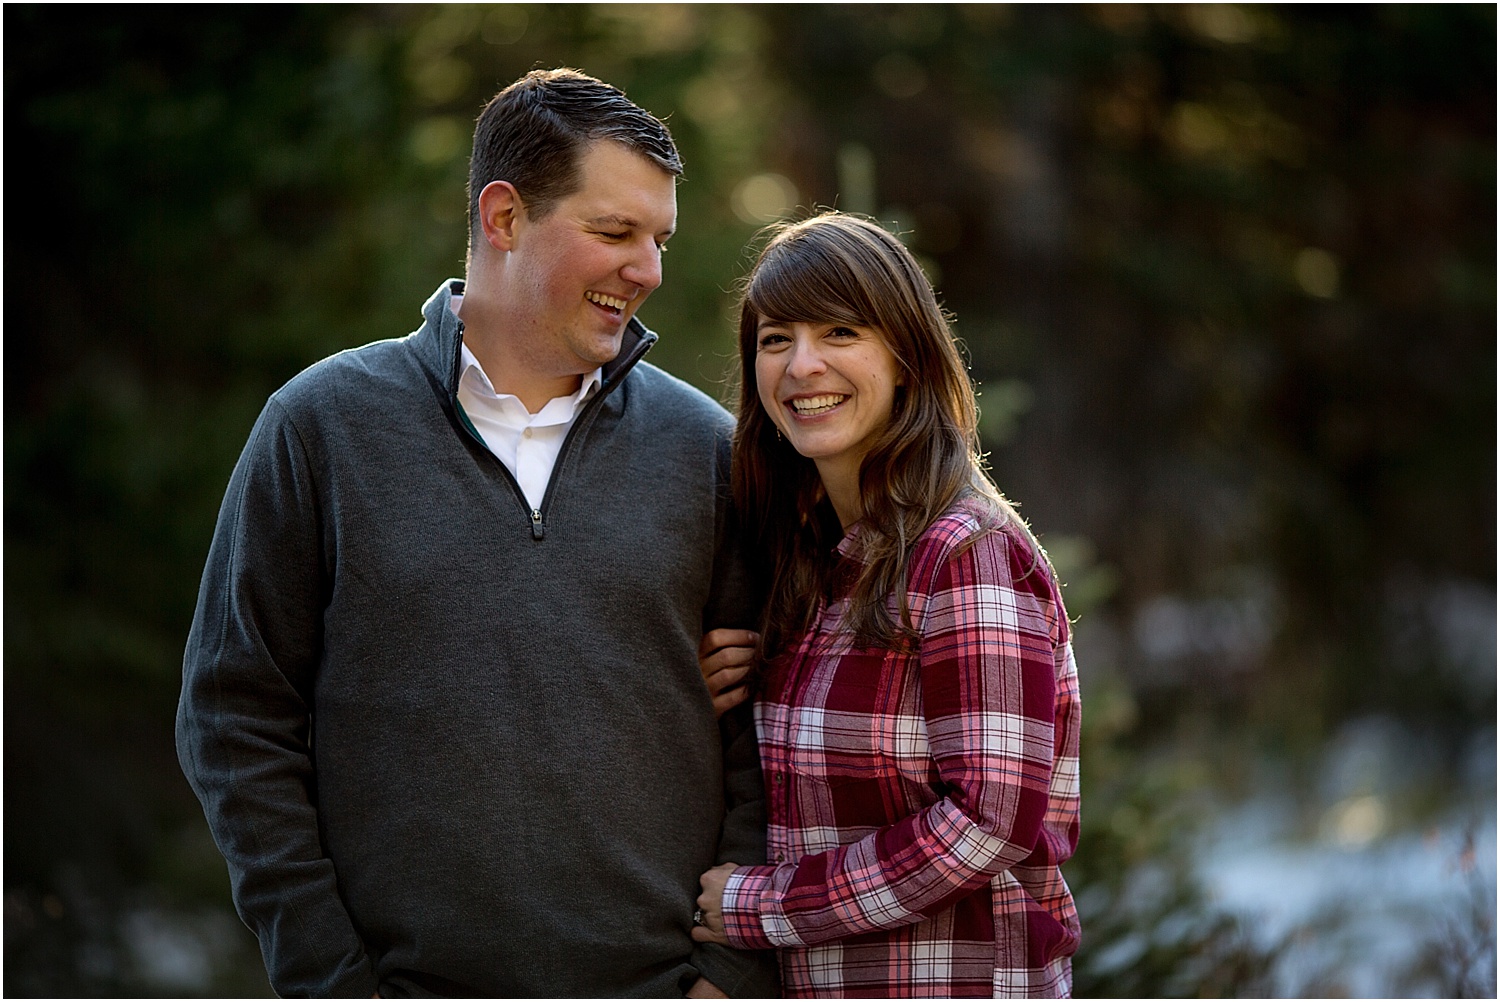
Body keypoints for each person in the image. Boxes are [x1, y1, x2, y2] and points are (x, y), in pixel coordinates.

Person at [176, 68, 775, 998]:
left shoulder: (705, 450)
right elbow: (233, 719)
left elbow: (770, 738)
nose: (649, 270)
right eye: (615, 233)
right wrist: (330, 980)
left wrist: (730, 975)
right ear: (503, 218)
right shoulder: (322, 425)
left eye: (658, 239)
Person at [689, 213, 1082, 997]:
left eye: (839, 331)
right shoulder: (812, 564)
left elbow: (988, 825)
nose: (803, 365)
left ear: (905, 358)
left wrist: (765, 905)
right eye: (775, 340)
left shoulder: (964, 553)